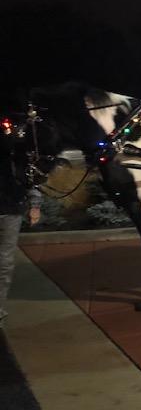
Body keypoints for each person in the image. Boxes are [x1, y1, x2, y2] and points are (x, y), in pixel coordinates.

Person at [0, 132, 41, 329]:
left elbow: (30, 179)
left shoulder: (16, 151)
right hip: (10, 209)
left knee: (4, 263)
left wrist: (35, 205)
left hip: (10, 210)